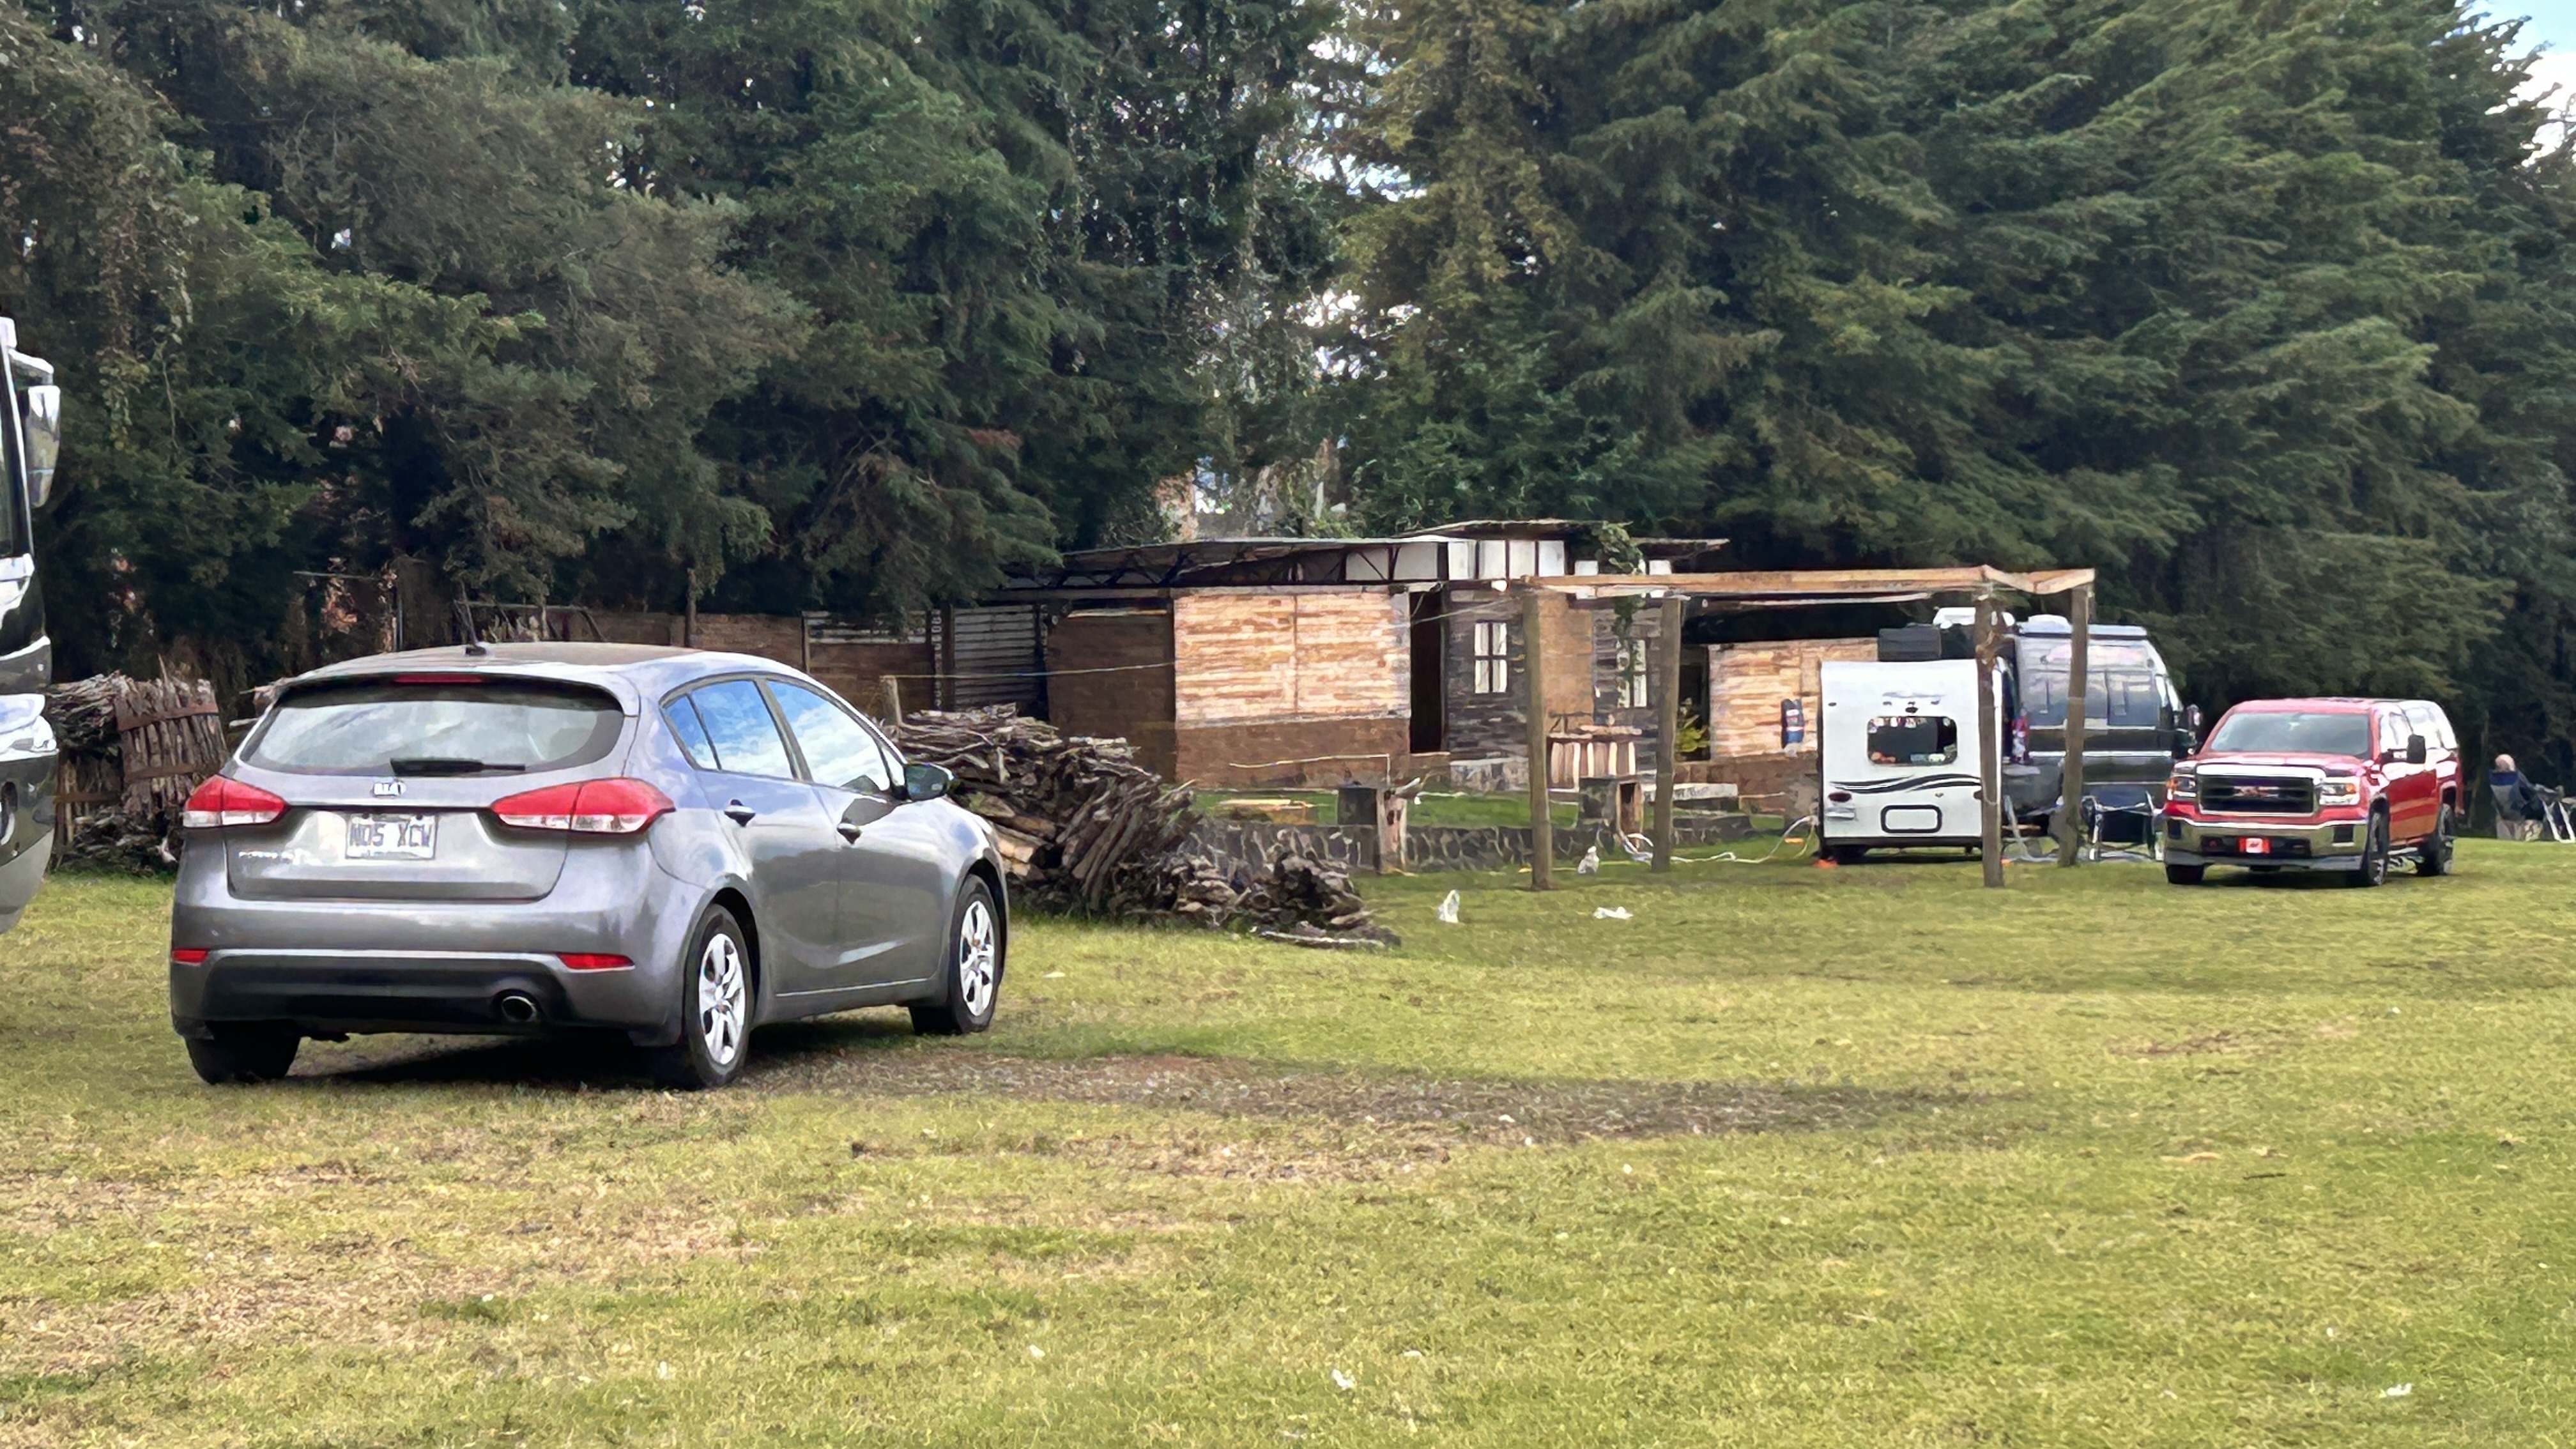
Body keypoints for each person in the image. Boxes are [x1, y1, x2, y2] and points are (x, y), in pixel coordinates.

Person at [2490, 754, 2554, 839]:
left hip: (2504, 813)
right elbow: (2529, 790)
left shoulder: (2494, 778)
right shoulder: (2515, 777)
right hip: (2522, 814)